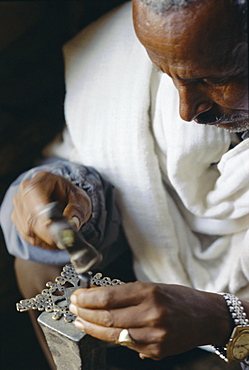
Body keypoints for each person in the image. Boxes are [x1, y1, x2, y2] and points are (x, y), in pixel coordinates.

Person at [0, 0, 248, 368]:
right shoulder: (141, 51)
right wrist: (70, 199)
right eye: (167, 74)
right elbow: (106, 152)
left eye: (212, 79)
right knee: (38, 265)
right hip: (161, 277)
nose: (185, 110)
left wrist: (223, 320)